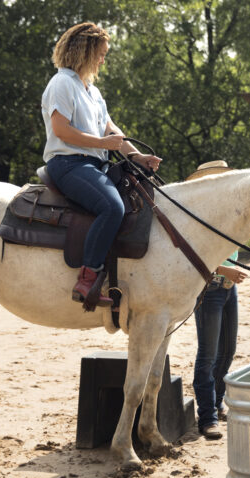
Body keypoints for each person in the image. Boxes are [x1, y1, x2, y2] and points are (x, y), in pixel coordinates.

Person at [41, 22, 162, 305]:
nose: (103, 59)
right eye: (101, 53)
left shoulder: (92, 90)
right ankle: (88, 279)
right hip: (68, 164)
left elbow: (110, 130)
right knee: (112, 206)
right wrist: (101, 145)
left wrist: (136, 157)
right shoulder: (61, 83)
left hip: (94, 165)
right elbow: (61, 130)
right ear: (85, 51)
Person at [186, 161, 248, 440]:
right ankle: (207, 417)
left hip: (227, 288)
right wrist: (227, 270)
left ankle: (218, 401)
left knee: (228, 350)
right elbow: (196, 255)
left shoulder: (227, 215)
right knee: (208, 354)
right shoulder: (201, 217)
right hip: (210, 288)